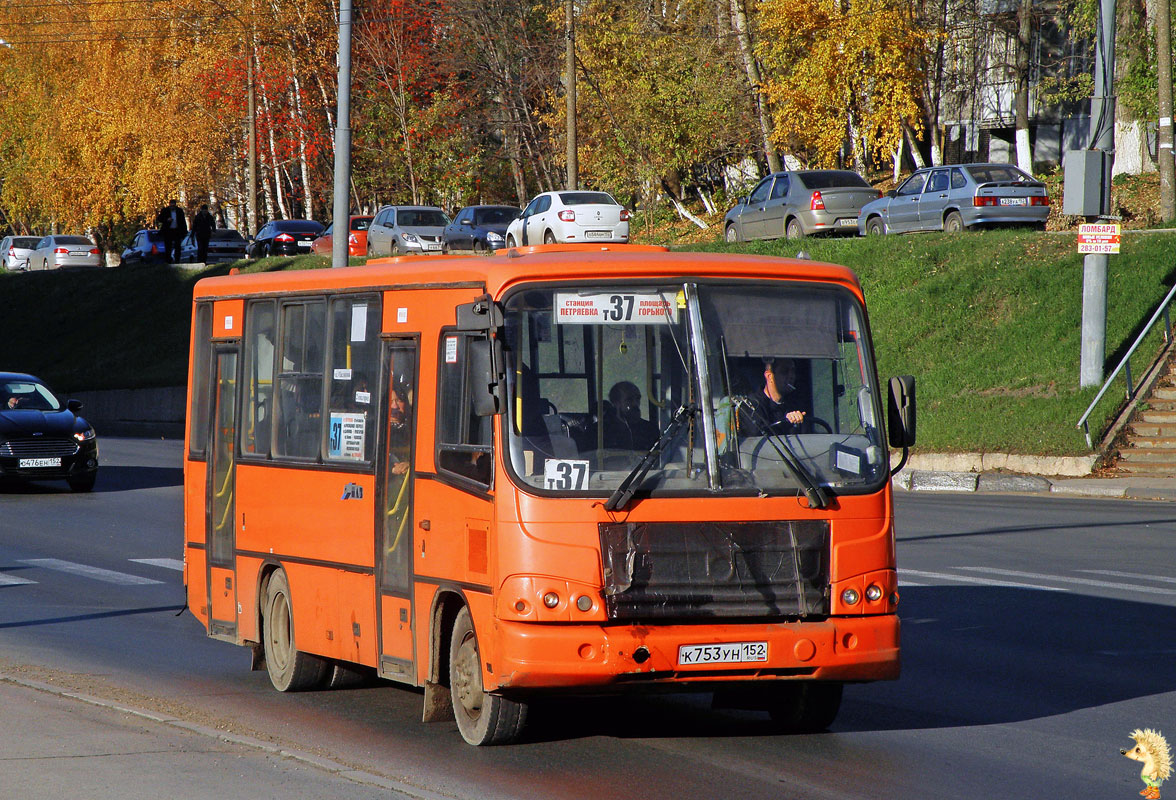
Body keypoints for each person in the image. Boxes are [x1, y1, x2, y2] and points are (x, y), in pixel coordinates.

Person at [740, 357, 807, 435]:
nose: (791, 376)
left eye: (793, 371)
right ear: (769, 376)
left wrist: (797, 422)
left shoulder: (795, 405)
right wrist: (786, 422)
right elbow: (760, 438)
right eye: (785, 371)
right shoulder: (751, 406)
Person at [602, 381, 659, 451]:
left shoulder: (650, 430)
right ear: (616, 402)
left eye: (637, 399)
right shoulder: (600, 431)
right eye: (629, 400)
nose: (635, 404)